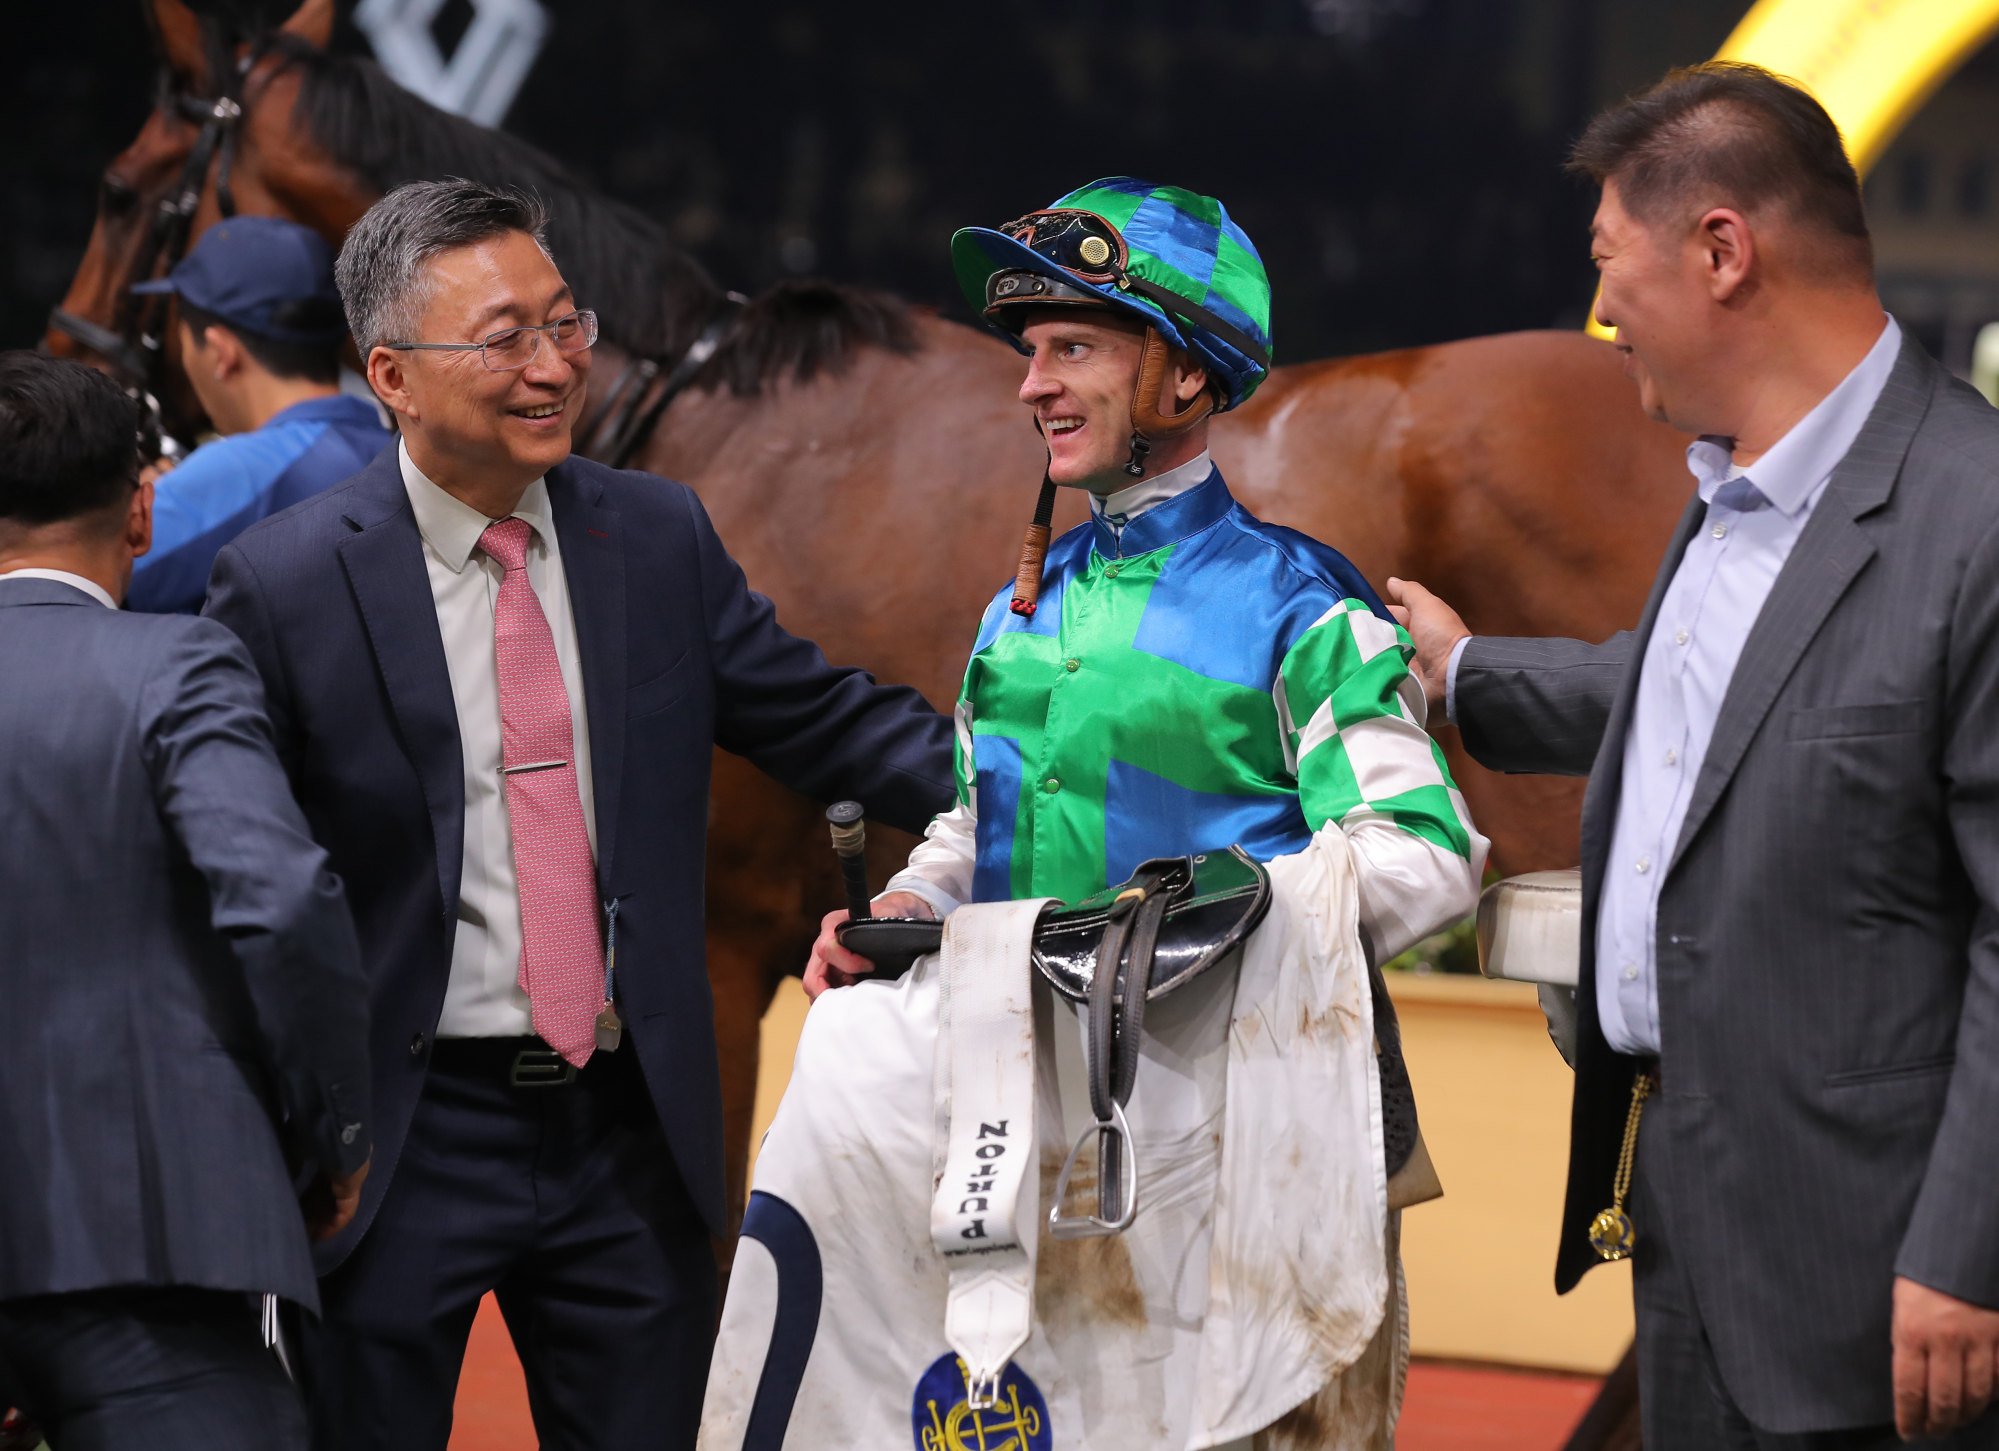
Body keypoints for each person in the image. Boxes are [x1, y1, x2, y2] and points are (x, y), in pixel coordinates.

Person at [707, 179, 1484, 1448]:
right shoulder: (1024, 600)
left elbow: (1424, 856)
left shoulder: (1304, 604)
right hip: (1034, 1132)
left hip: (1242, 1142)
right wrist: (913, 900)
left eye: (1074, 348)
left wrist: (1184, 939)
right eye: (1030, 352)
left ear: (1182, 376)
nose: (1032, 385)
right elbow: (975, 817)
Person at [201, 178, 954, 1450]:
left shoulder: (652, 535)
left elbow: (831, 723)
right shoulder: (283, 585)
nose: (554, 366)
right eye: (505, 339)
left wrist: (1071, 787)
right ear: (393, 372)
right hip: (394, 1142)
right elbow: (232, 886)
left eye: (567, 324)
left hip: (624, 1132)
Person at [1387, 62, 1999, 1450]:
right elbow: (1708, 703)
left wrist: (1967, 1254)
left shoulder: (1972, 518)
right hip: (1685, 1232)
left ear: (1720, 251)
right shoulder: (1730, 495)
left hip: (1885, 1282)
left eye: (1610, 268)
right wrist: (1461, 672)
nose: (1601, 320)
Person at [0, 352, 371, 1448]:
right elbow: (283, 901)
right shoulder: (176, 663)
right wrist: (334, 1137)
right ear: (145, 503)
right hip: (163, 1240)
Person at [125, 215, 388, 614]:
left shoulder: (237, 472)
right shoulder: (396, 449)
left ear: (220, 352)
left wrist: (136, 507)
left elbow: (63, 577)